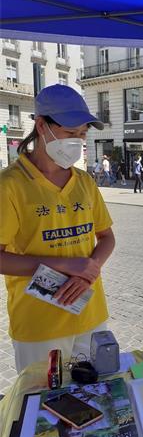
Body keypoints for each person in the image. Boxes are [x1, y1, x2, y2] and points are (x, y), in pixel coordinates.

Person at [0, 84, 116, 373]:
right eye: (69, 132)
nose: (77, 141)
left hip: (91, 313)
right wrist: (65, 263)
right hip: (40, 324)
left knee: (99, 400)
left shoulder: (85, 182)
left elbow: (106, 236)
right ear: (42, 126)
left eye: (82, 134)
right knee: (43, 408)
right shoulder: (10, 186)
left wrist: (90, 269)